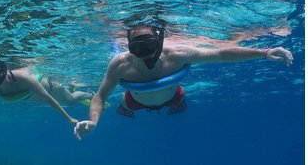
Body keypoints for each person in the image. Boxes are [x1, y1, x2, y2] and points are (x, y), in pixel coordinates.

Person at [74, 24, 293, 139]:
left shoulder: (177, 53)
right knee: (125, 104)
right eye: (137, 48)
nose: (144, 54)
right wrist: (94, 121)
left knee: (179, 99)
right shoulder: (120, 65)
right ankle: (126, 109)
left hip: (172, 94)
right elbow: (100, 96)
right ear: (128, 48)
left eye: (149, 46)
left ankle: (177, 105)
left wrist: (264, 52)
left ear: (160, 42)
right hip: (135, 99)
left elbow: (222, 53)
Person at [0, 58, 92, 126]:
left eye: (1, 80)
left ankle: (90, 94)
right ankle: (70, 87)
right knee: (68, 100)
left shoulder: (23, 79)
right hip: (35, 99)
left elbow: (49, 99)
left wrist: (69, 119)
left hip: (51, 89)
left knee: (70, 101)